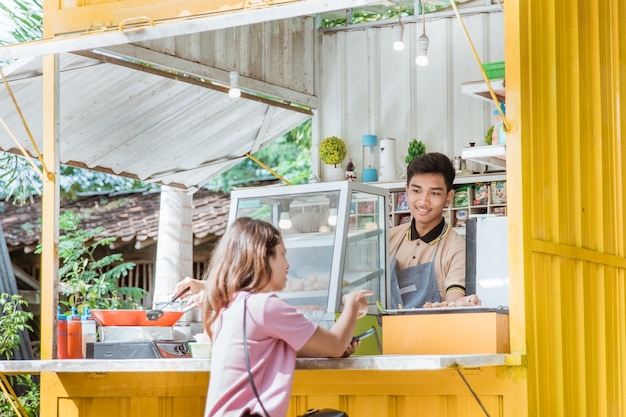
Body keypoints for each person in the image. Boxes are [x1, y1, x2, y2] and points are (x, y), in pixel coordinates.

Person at [176, 217, 371, 417]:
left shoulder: (232, 305)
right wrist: (352, 301)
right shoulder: (265, 306)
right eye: (283, 254)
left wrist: (328, 348)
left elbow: (279, 350)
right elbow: (335, 344)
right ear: (264, 257)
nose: (287, 265)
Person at [389, 152, 480, 308]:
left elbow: (455, 293)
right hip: (386, 331)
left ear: (448, 197)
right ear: (406, 191)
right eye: (416, 191)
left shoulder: (457, 247)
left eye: (434, 193)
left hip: (433, 330)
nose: (423, 201)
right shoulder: (389, 238)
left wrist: (456, 304)